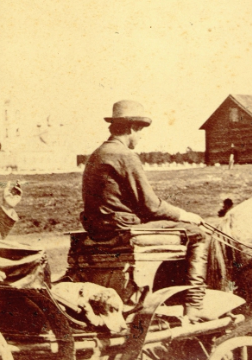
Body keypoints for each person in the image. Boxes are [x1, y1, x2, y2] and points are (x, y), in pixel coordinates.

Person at [80, 100, 209, 318]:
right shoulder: (124, 155)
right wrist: (185, 215)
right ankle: (194, 306)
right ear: (132, 128)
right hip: (121, 230)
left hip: (99, 229)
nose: (140, 137)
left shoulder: (97, 154)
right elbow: (151, 206)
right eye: (140, 131)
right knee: (197, 234)